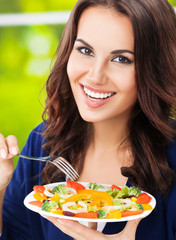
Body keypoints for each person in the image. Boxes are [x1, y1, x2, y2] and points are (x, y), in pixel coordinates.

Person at [0, 0, 176, 239]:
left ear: (153, 69)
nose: (95, 76)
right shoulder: (44, 141)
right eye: (85, 51)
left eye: (121, 59)